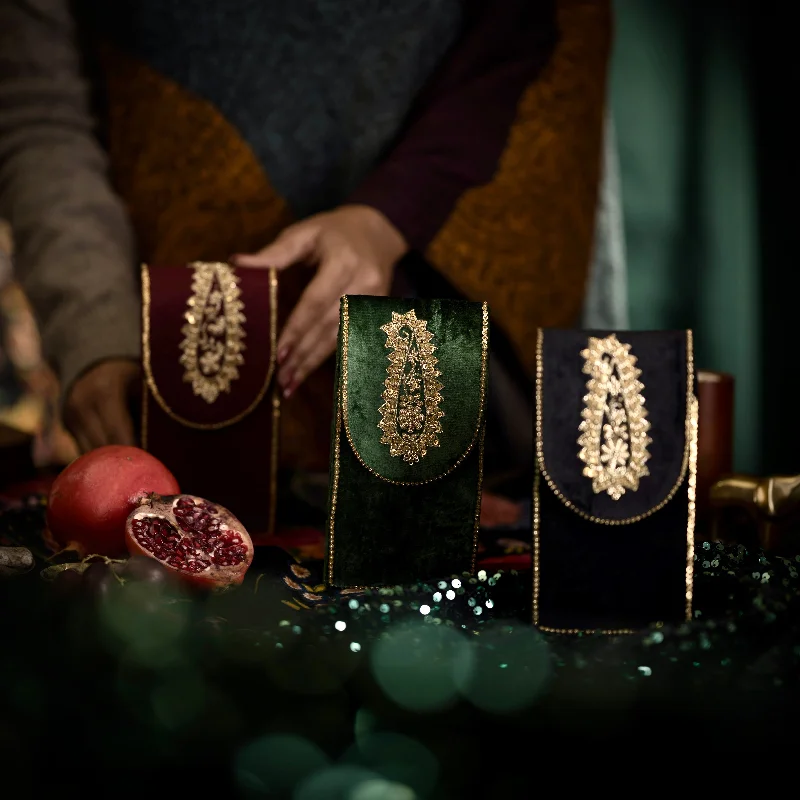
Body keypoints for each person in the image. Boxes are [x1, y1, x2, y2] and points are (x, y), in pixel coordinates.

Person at [0, 0, 613, 475]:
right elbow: (42, 114)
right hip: (172, 353)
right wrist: (94, 330)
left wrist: (389, 215)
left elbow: (531, 30)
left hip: (444, 275)